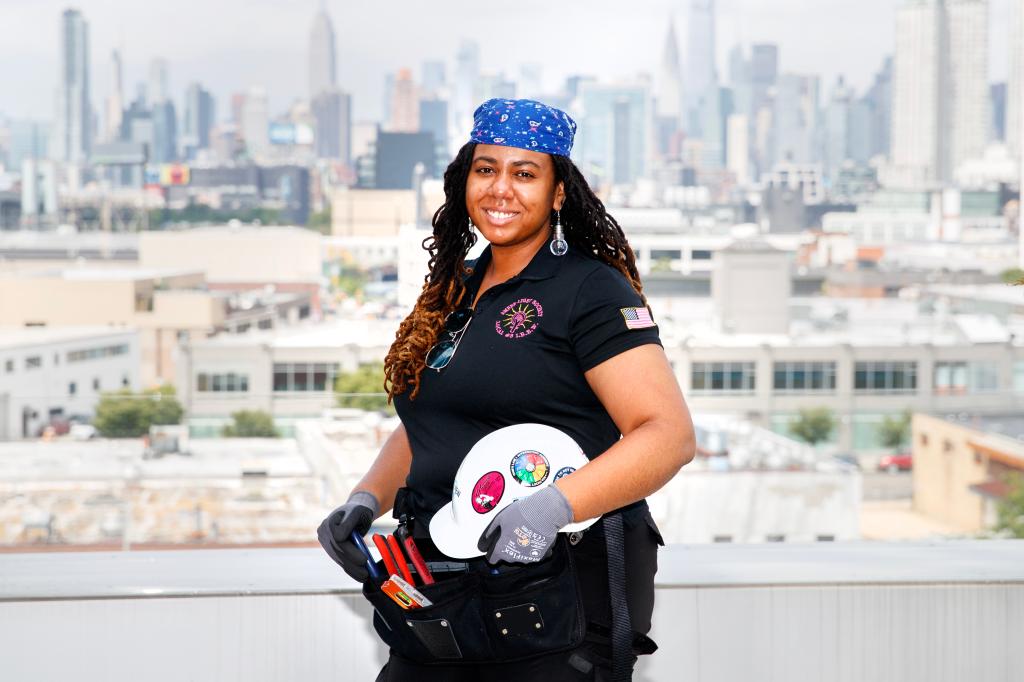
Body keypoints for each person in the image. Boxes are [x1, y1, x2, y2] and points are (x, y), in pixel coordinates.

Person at [318, 98, 695, 681]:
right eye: (486, 169)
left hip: (553, 598)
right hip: (438, 596)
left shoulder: (591, 290)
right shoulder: (457, 287)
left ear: (558, 192)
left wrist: (551, 508)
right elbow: (434, 422)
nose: (501, 189)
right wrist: (366, 500)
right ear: (464, 178)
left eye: (524, 174)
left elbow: (667, 436)